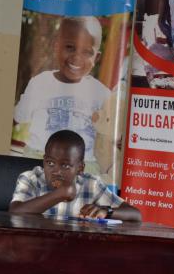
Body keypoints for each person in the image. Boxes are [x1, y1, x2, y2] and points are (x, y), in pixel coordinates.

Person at [13, 17, 110, 174]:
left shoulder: (101, 93)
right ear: (56, 47)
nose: (77, 57)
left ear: (96, 58)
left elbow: (111, 131)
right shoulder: (40, 83)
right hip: (40, 157)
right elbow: (18, 117)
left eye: (87, 52)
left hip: (83, 165)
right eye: (70, 47)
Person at [9, 130, 141, 221]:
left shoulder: (91, 184)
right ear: (43, 160)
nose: (56, 171)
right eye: (50, 162)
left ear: (80, 168)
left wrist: (107, 211)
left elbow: (135, 215)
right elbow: (15, 211)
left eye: (65, 165)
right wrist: (59, 194)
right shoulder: (30, 178)